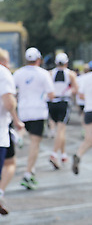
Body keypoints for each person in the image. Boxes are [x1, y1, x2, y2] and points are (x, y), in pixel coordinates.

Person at [13, 47, 54, 190]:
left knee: (23, 129)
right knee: (34, 144)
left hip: (23, 109)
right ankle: (28, 172)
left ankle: (18, 137)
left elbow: (13, 91)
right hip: (38, 111)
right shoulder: (43, 74)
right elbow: (51, 94)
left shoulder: (18, 73)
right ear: (39, 59)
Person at [0, 48, 24, 215]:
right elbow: (9, 102)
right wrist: (16, 119)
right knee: (10, 163)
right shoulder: (3, 73)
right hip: (0, 132)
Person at [48, 52, 78, 169]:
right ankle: (54, 154)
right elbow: (76, 88)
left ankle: (63, 154)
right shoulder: (70, 74)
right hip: (63, 102)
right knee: (61, 129)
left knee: (60, 130)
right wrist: (68, 92)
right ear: (66, 62)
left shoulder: (50, 73)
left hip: (52, 103)